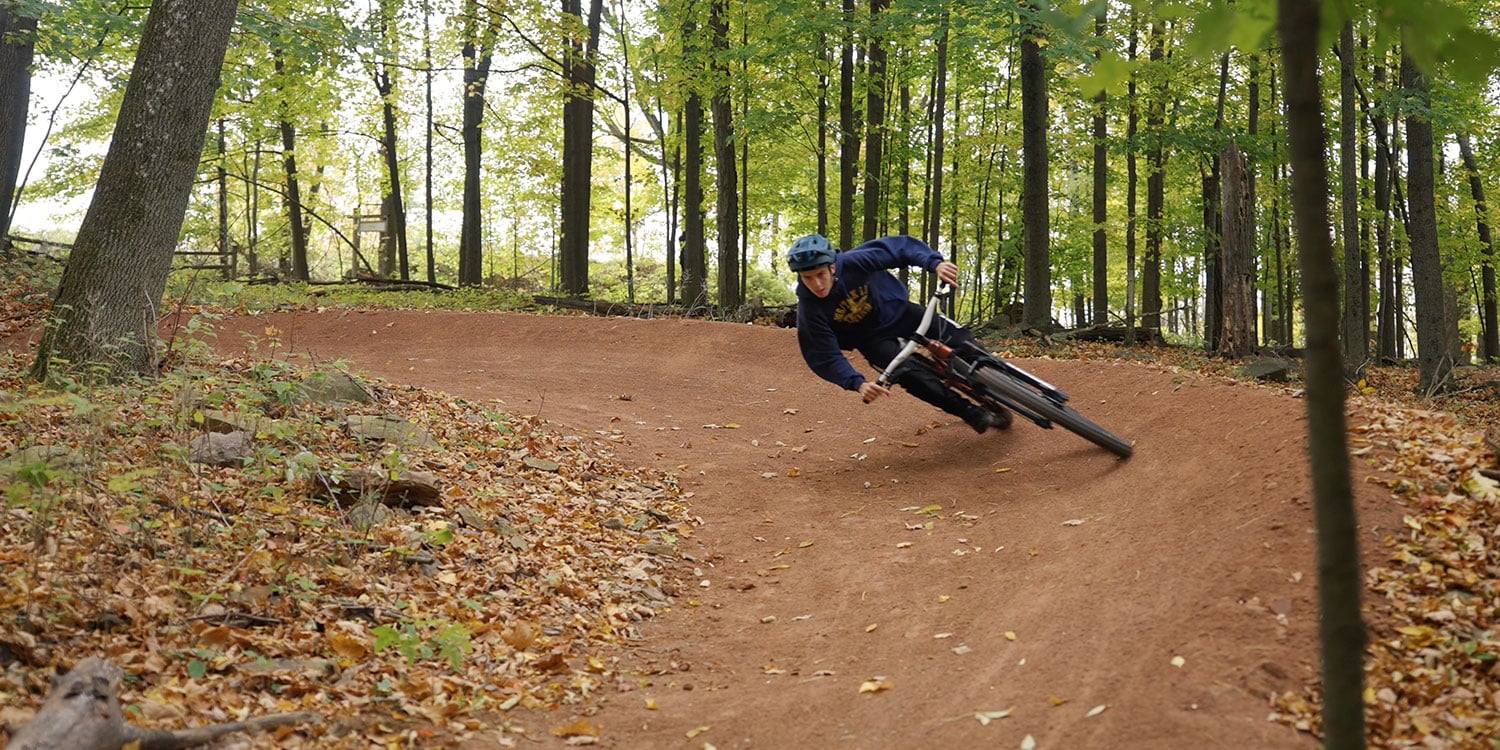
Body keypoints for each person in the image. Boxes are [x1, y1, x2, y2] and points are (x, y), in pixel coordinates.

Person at [787, 233, 1010, 434]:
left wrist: (935, 264)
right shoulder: (810, 309)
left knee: (963, 342)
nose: (817, 284)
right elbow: (824, 356)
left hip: (902, 313)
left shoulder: (854, 262)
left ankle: (1005, 378)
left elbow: (899, 249)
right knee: (911, 378)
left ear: (832, 267)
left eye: (820, 274)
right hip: (871, 340)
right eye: (808, 278)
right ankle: (970, 413)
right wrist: (857, 383)